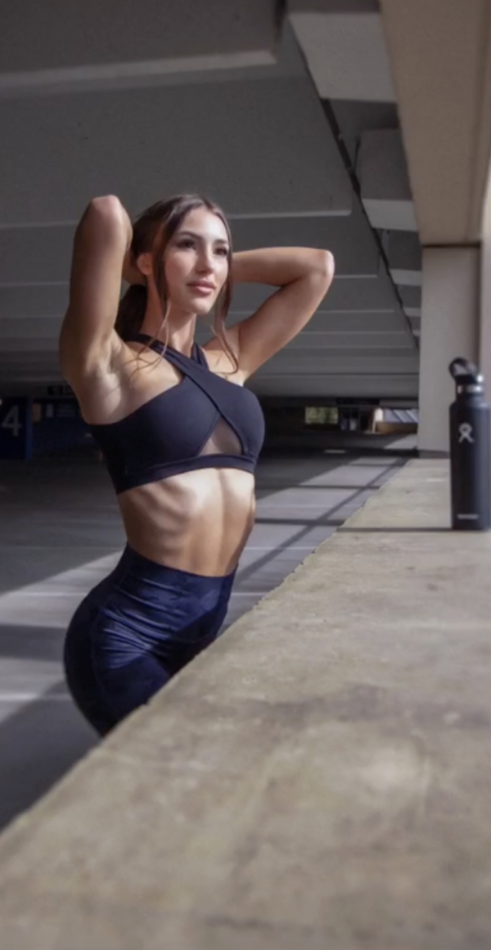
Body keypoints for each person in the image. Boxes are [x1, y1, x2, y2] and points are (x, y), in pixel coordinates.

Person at [59, 193, 334, 735]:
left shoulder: (229, 361)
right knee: (176, 767)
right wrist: (150, 268)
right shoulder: (110, 364)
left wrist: (211, 268)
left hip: (204, 628)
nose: (209, 263)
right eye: (188, 246)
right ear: (143, 261)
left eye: (220, 251)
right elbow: (105, 213)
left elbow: (316, 269)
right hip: (125, 635)